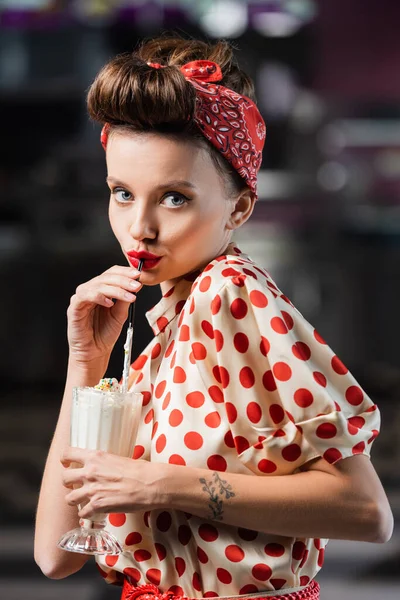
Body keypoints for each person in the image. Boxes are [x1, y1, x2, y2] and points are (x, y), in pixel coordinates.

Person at [34, 35, 393, 600]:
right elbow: (55, 553)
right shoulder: (172, 315)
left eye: (174, 197)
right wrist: (87, 364)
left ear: (239, 207)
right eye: (122, 193)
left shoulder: (227, 295)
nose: (140, 228)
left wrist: (163, 486)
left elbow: (367, 511)